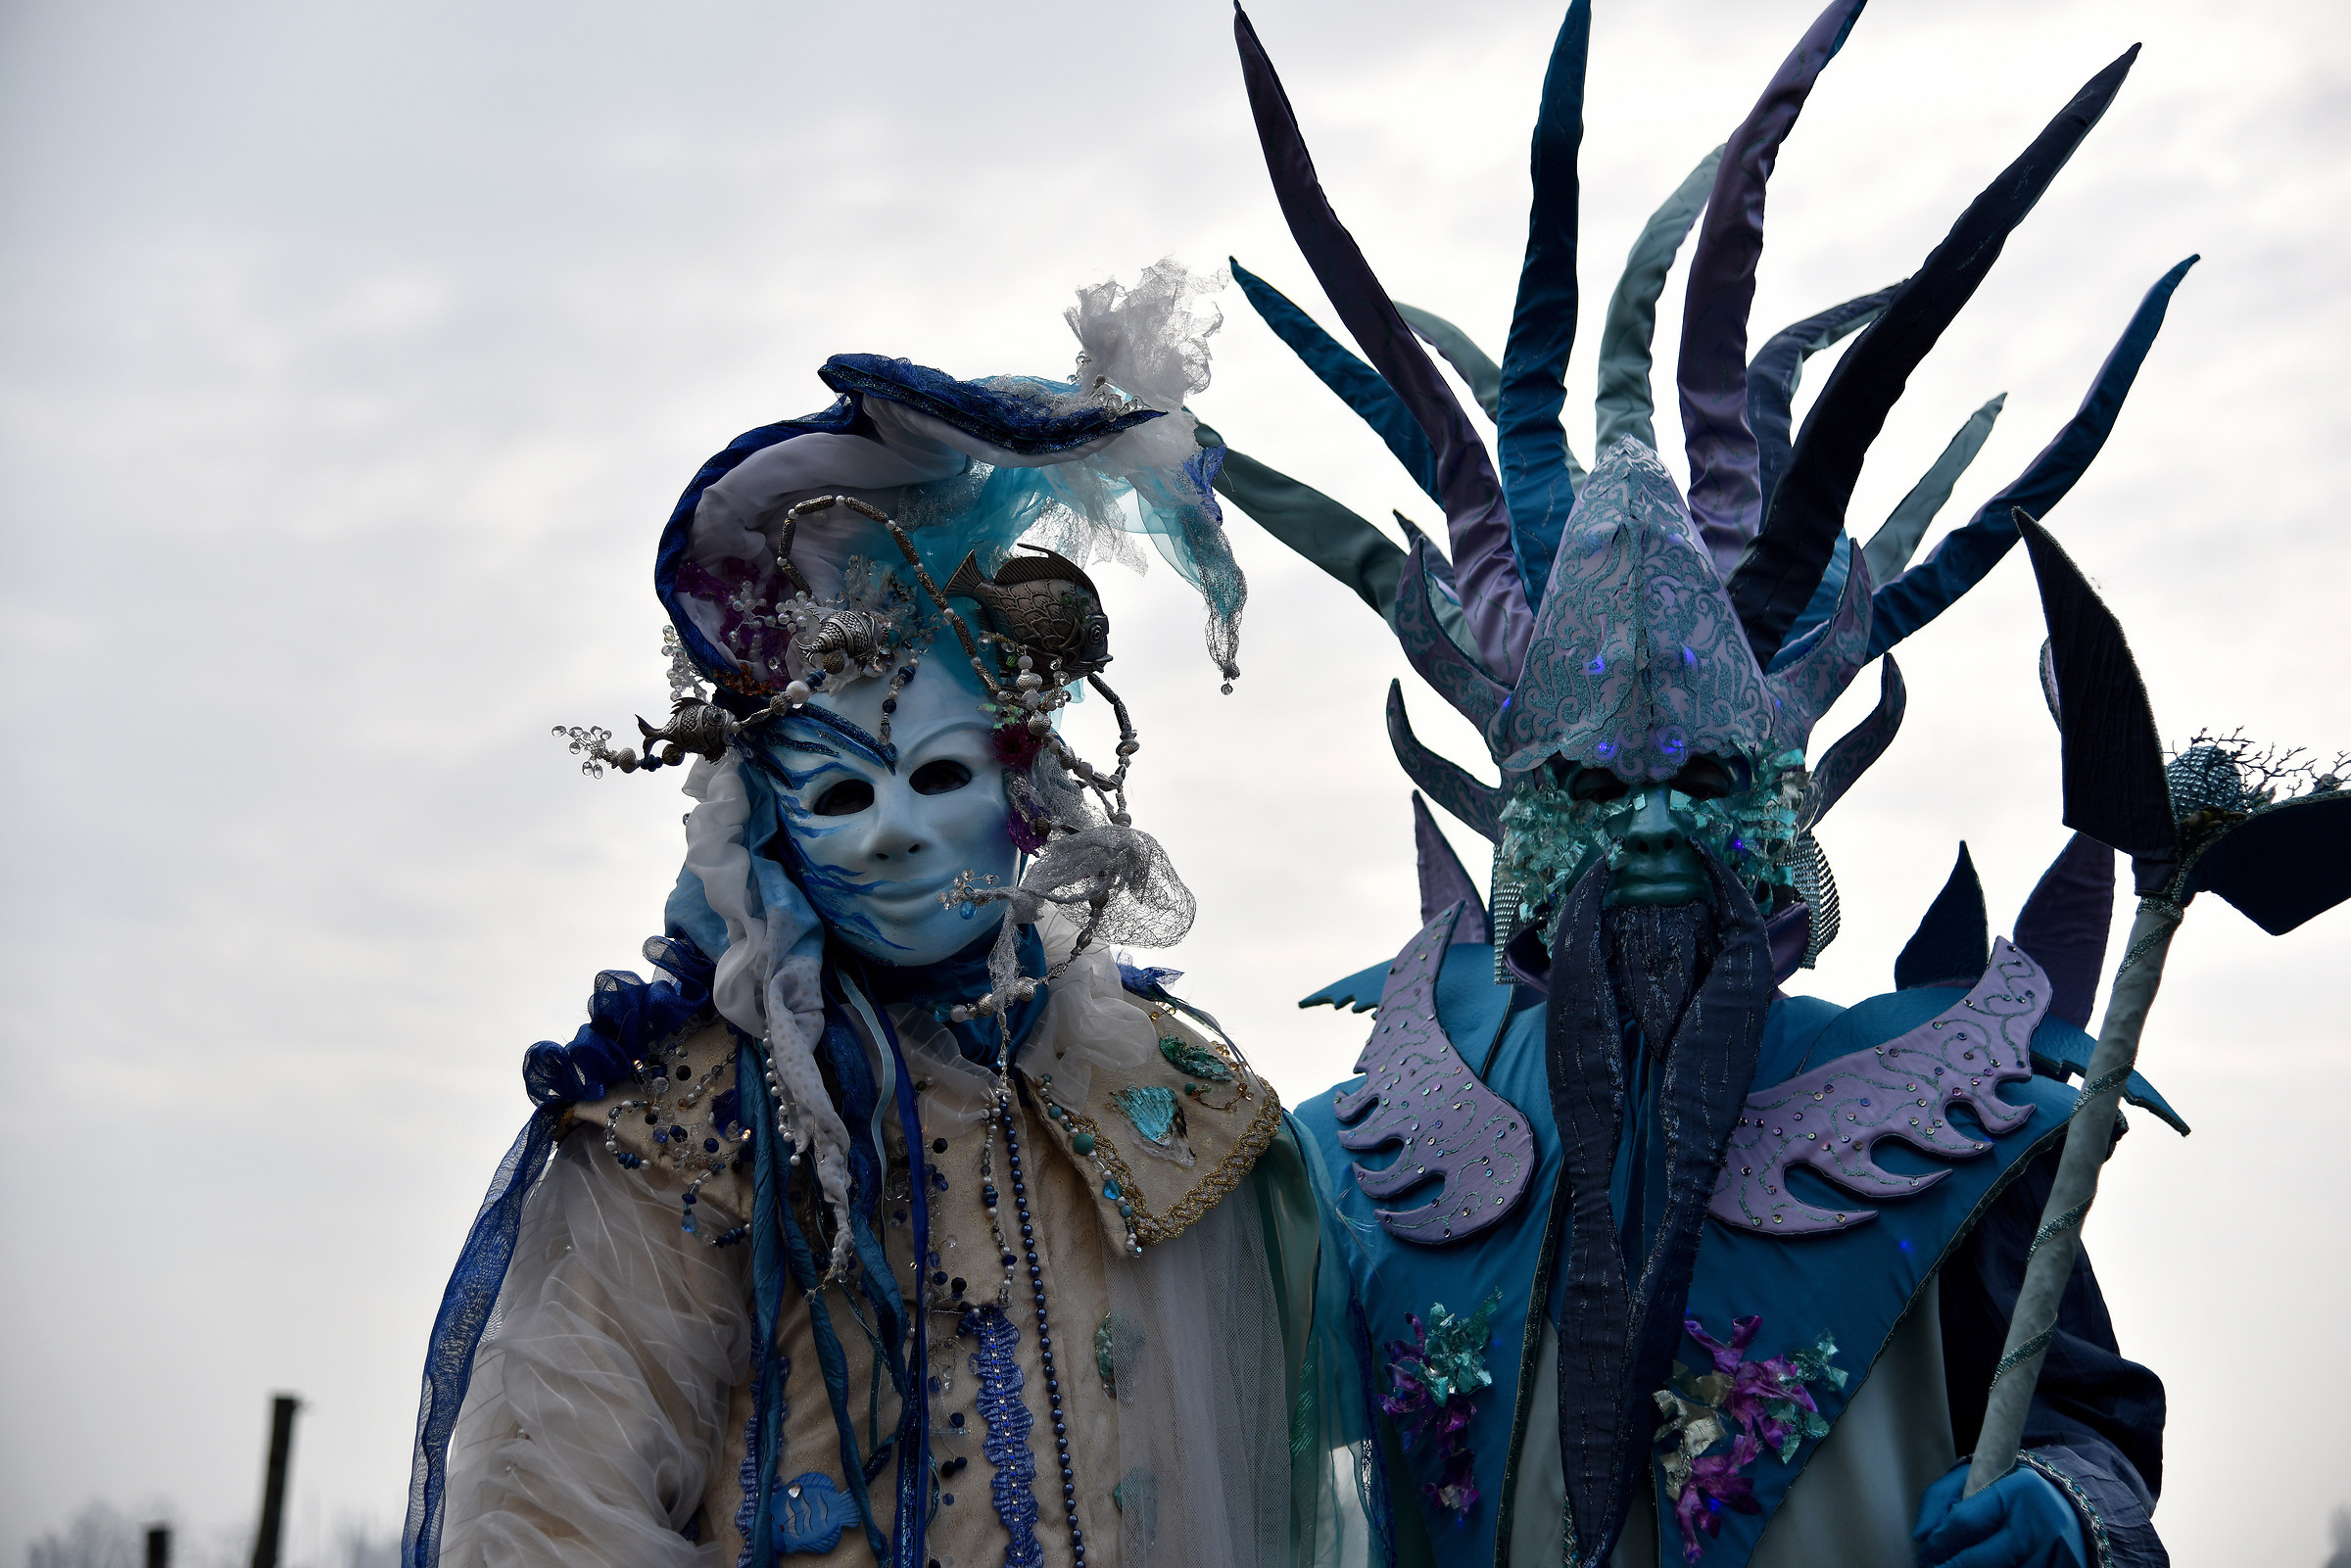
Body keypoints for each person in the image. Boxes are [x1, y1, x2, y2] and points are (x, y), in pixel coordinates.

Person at [1212, 3, 2181, 1563]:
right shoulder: (1376, 1152)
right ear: (1529, 821)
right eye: (1602, 790)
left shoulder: (1948, 1112)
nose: (1657, 825)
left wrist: (2067, 1509)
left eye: (1707, 780)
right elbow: (1208, 1424)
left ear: (1782, 808)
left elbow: (2093, 1425)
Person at [403, 262, 1337, 1568]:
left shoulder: (1161, 1097)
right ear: (767, 826)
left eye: (940, 773)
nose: (895, 828)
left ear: (1026, 787)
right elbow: (555, 1513)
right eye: (841, 791)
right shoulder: (692, 1124)